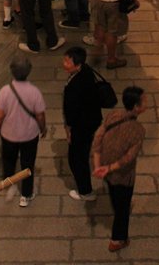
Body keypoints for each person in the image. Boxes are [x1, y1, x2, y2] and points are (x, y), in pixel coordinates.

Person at [92, 86, 147, 252]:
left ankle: (120, 206)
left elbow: (98, 137)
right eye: (144, 101)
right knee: (122, 208)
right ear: (137, 107)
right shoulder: (138, 130)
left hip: (105, 167)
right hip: (122, 174)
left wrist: (98, 165)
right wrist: (109, 168)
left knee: (115, 194)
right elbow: (128, 158)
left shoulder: (114, 115)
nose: (147, 103)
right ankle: (118, 239)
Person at [0, 55, 47, 207]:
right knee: (28, 163)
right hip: (29, 135)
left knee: (9, 161)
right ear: (29, 71)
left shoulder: (5, 91)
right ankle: (26, 194)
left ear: (12, 71)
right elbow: (40, 116)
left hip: (9, 134)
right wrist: (43, 129)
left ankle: (10, 186)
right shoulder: (34, 92)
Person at [62, 46, 102, 201]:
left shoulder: (75, 85)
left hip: (82, 126)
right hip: (91, 120)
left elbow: (71, 112)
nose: (64, 63)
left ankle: (85, 191)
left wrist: (68, 130)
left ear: (77, 65)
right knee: (81, 154)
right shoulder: (86, 71)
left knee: (76, 158)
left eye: (67, 61)